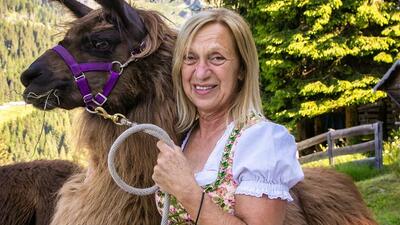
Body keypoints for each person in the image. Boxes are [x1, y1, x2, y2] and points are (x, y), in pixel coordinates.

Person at [152, 8, 304, 225]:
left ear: (241, 69)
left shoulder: (261, 141)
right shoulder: (182, 137)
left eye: (217, 58)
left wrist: (187, 191)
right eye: (190, 58)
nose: (201, 72)